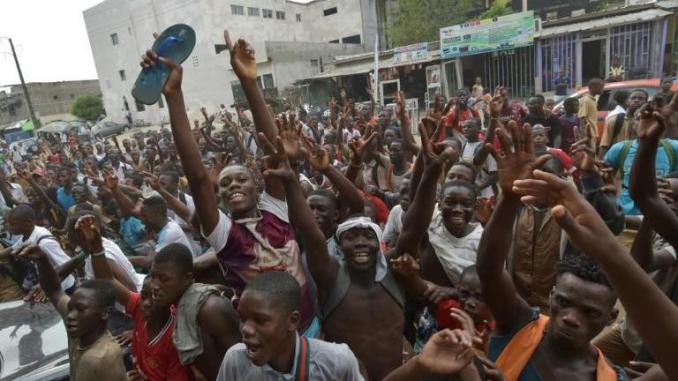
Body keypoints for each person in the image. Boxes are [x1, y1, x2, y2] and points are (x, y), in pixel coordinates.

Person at [141, 30, 317, 335]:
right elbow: (197, 178)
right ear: (219, 196)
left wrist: (249, 82)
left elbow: (273, 150)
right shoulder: (225, 235)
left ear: (257, 185)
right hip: (265, 345)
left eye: (241, 179)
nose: (233, 185)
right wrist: (174, 95)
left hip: (309, 330)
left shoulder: (275, 211)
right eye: (225, 184)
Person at [477, 123, 627, 380]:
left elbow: (612, 222)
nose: (571, 318)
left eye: (589, 312)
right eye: (564, 303)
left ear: (611, 318)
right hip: (523, 295)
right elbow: (490, 270)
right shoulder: (519, 325)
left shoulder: (608, 377)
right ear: (554, 295)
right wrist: (509, 198)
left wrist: (590, 178)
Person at [80, 213, 192, 381]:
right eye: (144, 296)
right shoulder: (141, 308)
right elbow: (107, 280)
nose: (145, 303)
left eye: (153, 299)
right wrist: (97, 248)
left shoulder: (175, 338)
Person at [217, 271, 364, 380]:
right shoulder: (235, 360)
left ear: (293, 321)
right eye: (242, 318)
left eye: (260, 320)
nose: (246, 329)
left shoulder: (336, 362)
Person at [13, 243, 127, 381]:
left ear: (105, 313)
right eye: (71, 307)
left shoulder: (98, 359)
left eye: (80, 309)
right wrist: (42, 259)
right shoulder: (82, 327)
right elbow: (54, 290)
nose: (71, 315)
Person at [600, 90, 648, 156]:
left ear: (646, 102)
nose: (636, 100)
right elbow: (604, 145)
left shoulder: (650, 121)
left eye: (641, 99)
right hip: (618, 159)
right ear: (627, 101)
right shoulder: (614, 119)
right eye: (633, 98)